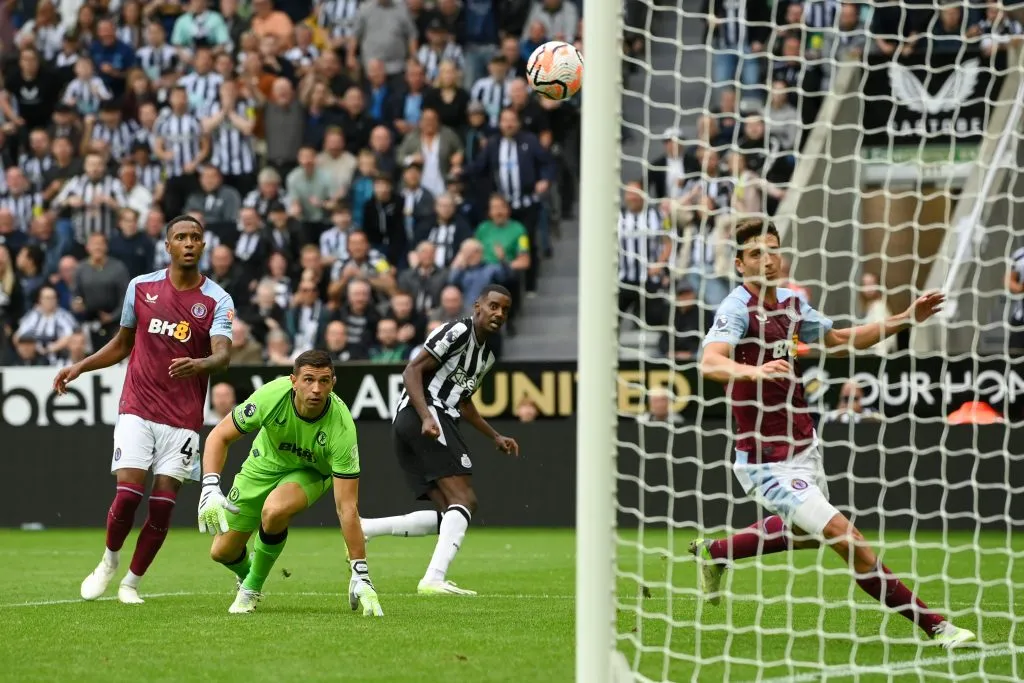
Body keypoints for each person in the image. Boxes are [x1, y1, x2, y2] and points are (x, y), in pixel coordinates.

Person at [692, 219, 974, 649]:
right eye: (754, 253)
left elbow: (842, 338)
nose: (766, 260)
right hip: (765, 459)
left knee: (805, 536)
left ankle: (717, 552)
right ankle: (936, 625)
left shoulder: (791, 304)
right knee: (849, 538)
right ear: (739, 263)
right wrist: (754, 369)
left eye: (772, 250)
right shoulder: (735, 309)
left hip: (805, 445)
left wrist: (904, 318)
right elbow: (709, 362)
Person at [53, 215, 234, 605]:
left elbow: (222, 354)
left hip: (183, 419)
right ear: (167, 246)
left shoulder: (217, 299)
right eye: (180, 237)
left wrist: (199, 364)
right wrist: (80, 366)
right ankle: (109, 560)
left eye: (195, 238)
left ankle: (131, 582)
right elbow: (122, 344)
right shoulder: (141, 287)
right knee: (130, 495)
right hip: (137, 406)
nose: (188, 243)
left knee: (163, 504)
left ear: (203, 246)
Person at [196, 350, 382, 617]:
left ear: (333, 383)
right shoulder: (271, 396)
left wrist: (360, 572)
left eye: (324, 381)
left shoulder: (342, 428)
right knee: (222, 552)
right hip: (261, 467)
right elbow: (218, 436)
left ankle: (251, 588)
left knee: (274, 510)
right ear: (293, 380)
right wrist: (210, 486)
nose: (316, 389)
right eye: (308, 380)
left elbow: (347, 507)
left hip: (309, 474)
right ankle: (252, 570)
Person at [359, 284, 518, 596]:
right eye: (493, 306)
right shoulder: (458, 330)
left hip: (426, 419)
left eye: (505, 309)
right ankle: (433, 579)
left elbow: (464, 402)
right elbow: (412, 371)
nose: (499, 313)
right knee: (466, 500)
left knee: (451, 512)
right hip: (424, 417)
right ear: (478, 307)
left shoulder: (485, 358)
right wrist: (427, 415)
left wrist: (494, 435)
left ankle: (367, 528)